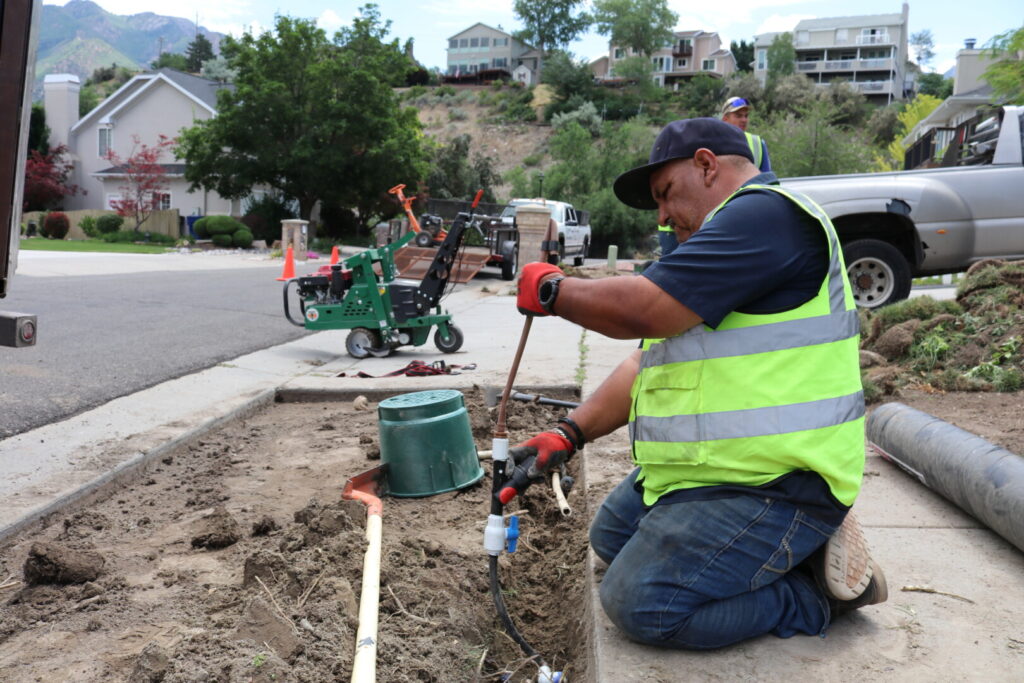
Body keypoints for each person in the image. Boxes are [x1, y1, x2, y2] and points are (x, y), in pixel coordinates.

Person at [510, 117, 885, 650]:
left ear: (707, 166)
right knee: (611, 536)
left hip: (781, 482)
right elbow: (646, 363)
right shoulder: (720, 246)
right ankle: (794, 553)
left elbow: (643, 312)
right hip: (721, 474)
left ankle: (812, 595)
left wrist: (554, 290)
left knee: (640, 601)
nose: (662, 215)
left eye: (665, 194)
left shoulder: (766, 216)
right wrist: (569, 434)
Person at [721, 96, 771, 173]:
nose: (744, 120)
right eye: (738, 116)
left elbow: (767, 180)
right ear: (725, 119)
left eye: (746, 116)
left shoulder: (758, 143)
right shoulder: (714, 142)